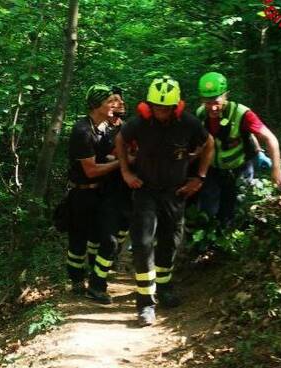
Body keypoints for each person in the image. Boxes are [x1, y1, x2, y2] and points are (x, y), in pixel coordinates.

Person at [115, 76, 215, 326]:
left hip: (175, 192)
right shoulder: (139, 124)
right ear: (149, 105)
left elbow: (209, 144)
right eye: (156, 107)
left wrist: (199, 177)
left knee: (170, 241)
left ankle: (164, 288)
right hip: (146, 190)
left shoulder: (189, 124)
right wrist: (126, 172)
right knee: (143, 242)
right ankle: (145, 303)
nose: (160, 112)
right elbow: (120, 140)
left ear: (175, 106)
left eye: (166, 108)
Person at [196, 72, 281, 226]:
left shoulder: (242, 114)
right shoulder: (200, 115)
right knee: (208, 211)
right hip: (213, 170)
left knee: (237, 209)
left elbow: (270, 138)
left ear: (226, 95)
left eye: (216, 101)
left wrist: (276, 169)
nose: (212, 107)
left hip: (240, 168)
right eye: (207, 102)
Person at [66, 84, 120, 295]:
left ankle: (97, 283)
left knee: (107, 239)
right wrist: (121, 162)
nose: (114, 105)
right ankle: (76, 280)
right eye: (109, 102)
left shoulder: (104, 127)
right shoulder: (82, 130)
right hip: (81, 193)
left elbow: (104, 156)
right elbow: (91, 170)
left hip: (101, 193)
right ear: (97, 106)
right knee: (78, 240)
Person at [86, 86, 133, 304]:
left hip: (128, 191)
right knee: (107, 239)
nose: (119, 104)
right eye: (113, 101)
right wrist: (121, 160)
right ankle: (96, 284)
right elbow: (99, 160)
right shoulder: (99, 130)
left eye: (121, 101)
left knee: (121, 232)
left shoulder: (130, 127)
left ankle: (102, 271)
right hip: (107, 192)